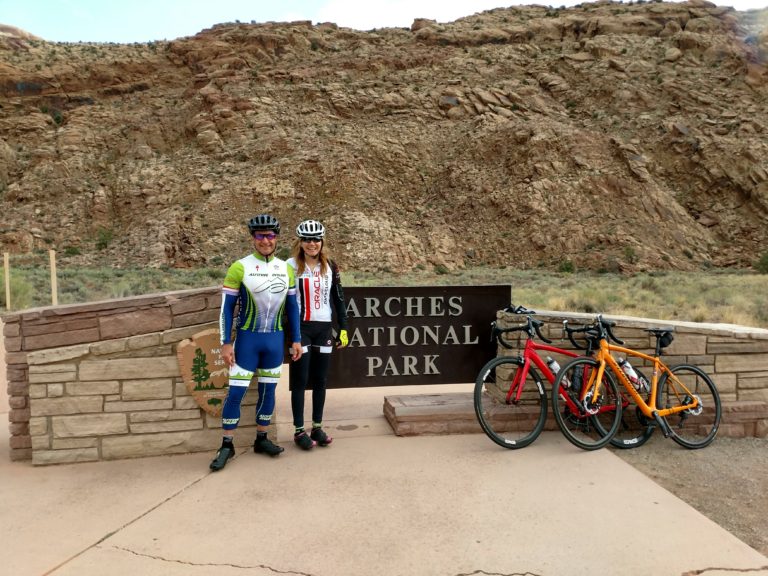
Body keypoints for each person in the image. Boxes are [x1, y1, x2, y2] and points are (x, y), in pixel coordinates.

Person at [209, 214, 302, 471]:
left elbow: (293, 308)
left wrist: (296, 339)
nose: (265, 240)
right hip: (247, 341)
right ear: (253, 238)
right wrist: (226, 343)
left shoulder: (287, 269)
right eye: (260, 235)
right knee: (236, 393)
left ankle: (262, 438)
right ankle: (227, 444)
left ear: (276, 238)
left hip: (274, 340)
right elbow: (227, 309)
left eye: (270, 235)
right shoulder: (240, 266)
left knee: (268, 392)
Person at [287, 219, 349, 450]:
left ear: (322, 241)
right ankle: (298, 431)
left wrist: (343, 328)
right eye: (307, 240)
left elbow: (339, 299)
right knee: (300, 380)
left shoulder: (330, 265)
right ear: (300, 242)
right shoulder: (290, 265)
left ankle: (317, 426)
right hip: (300, 329)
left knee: (321, 380)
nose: (311, 244)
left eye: (315, 239)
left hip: (323, 328)